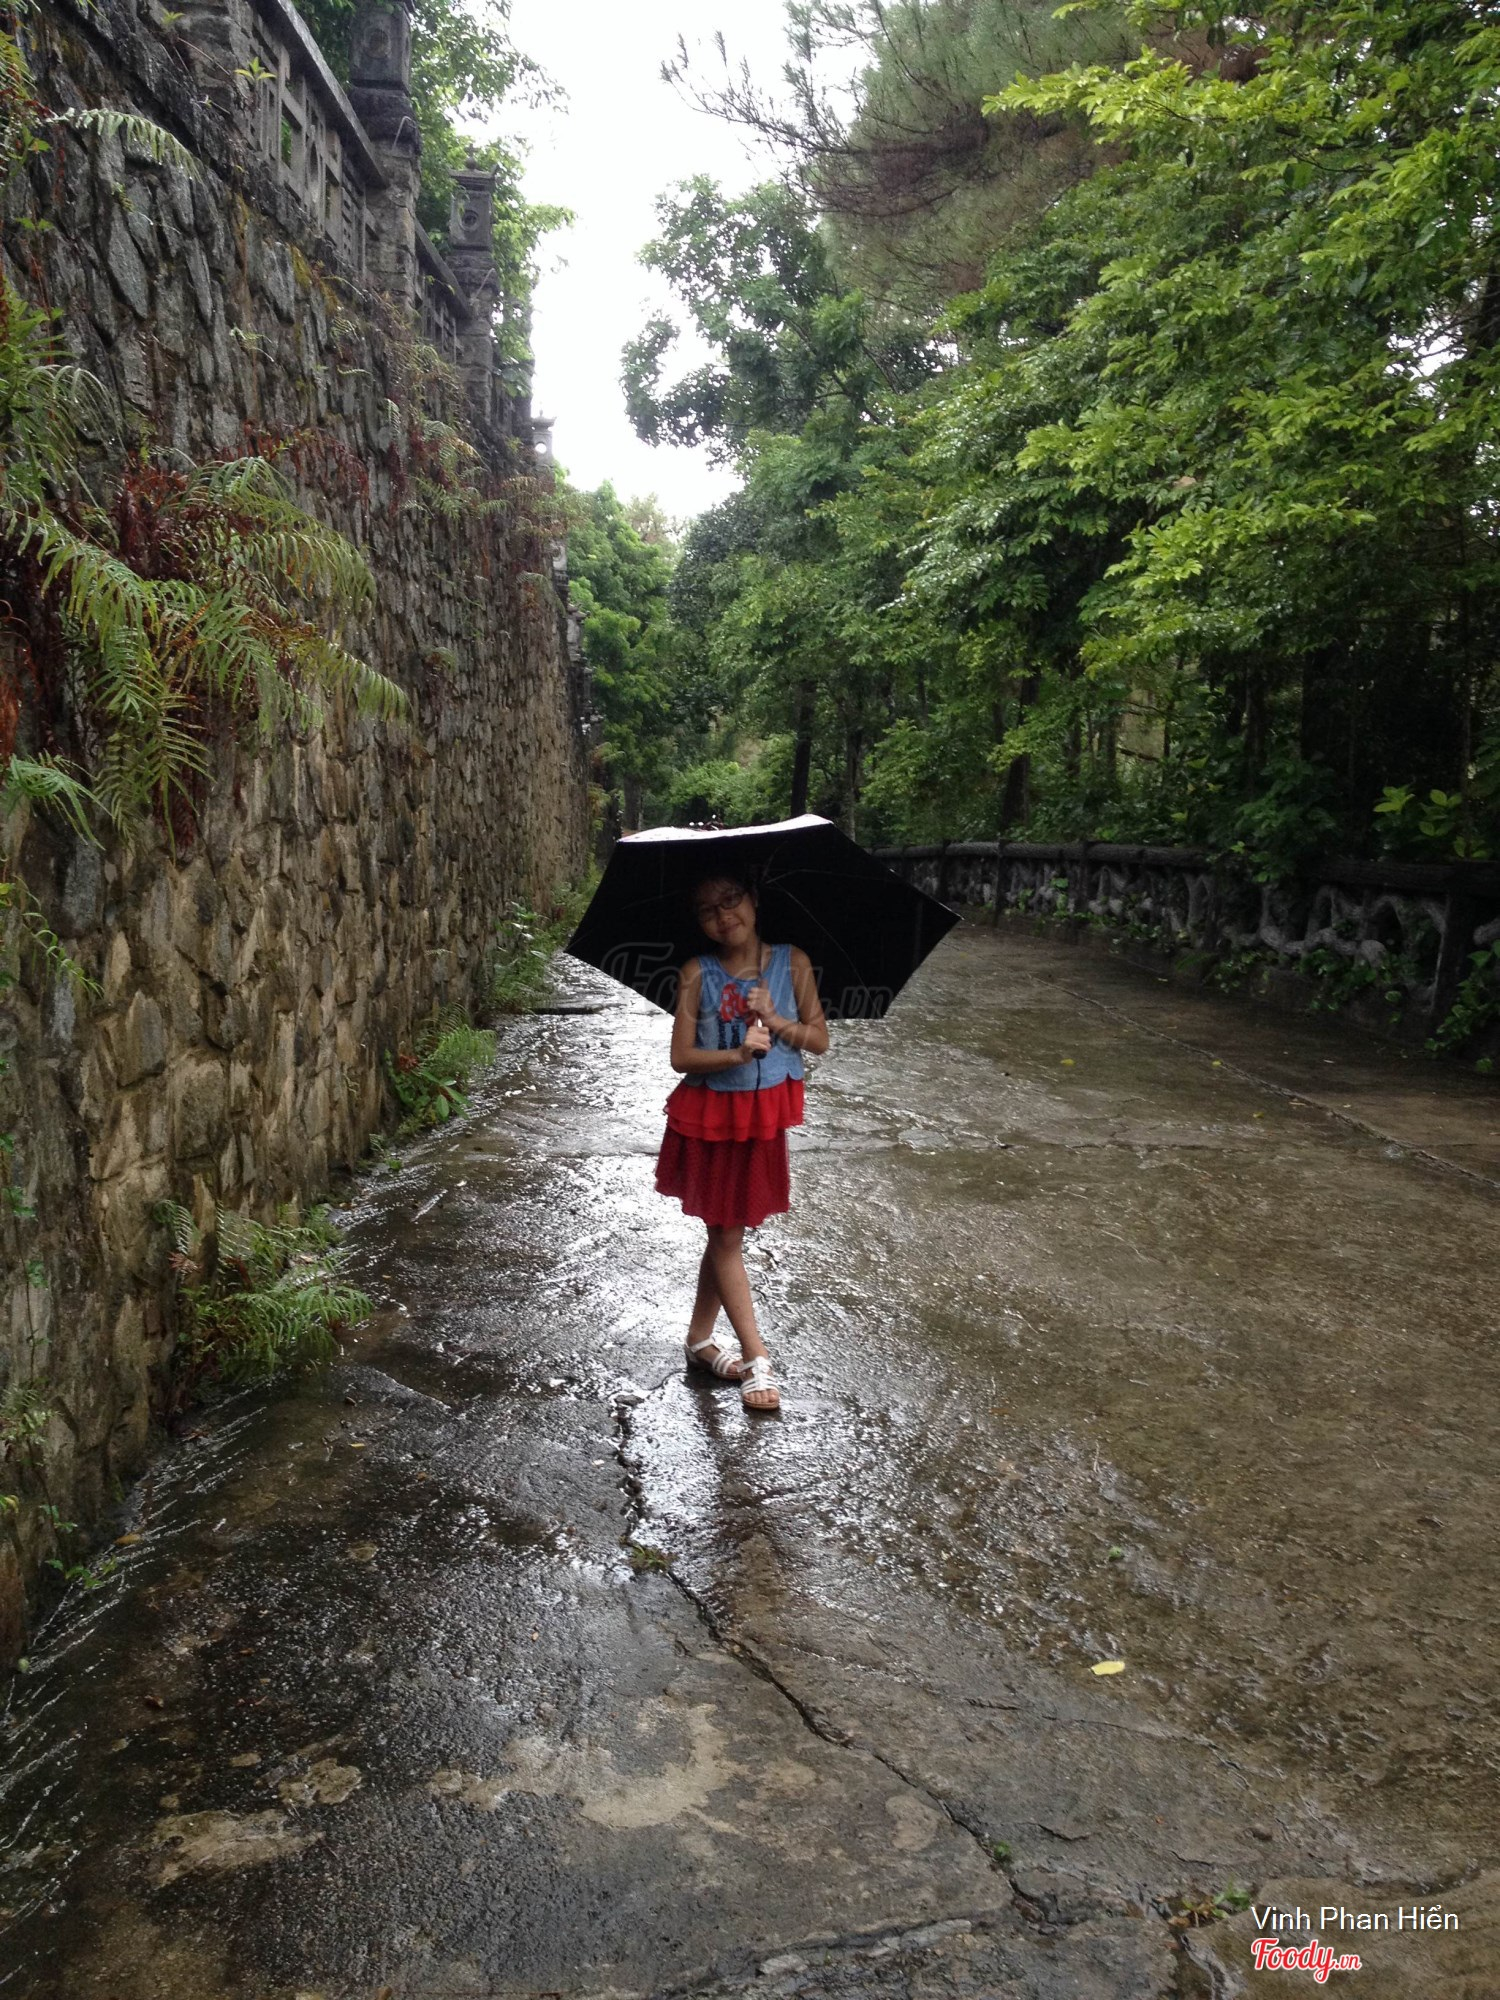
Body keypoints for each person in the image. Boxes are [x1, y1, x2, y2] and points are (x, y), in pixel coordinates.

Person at [654, 871, 829, 1412]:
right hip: (712, 1114)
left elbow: (819, 1039)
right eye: (707, 910)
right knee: (726, 1233)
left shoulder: (792, 963)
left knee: (727, 1230)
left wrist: (775, 1019)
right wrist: (736, 1053)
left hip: (764, 1114)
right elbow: (681, 1057)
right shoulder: (696, 973)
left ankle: (699, 1340)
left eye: (731, 900)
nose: (722, 915)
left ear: (753, 900)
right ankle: (757, 1356)